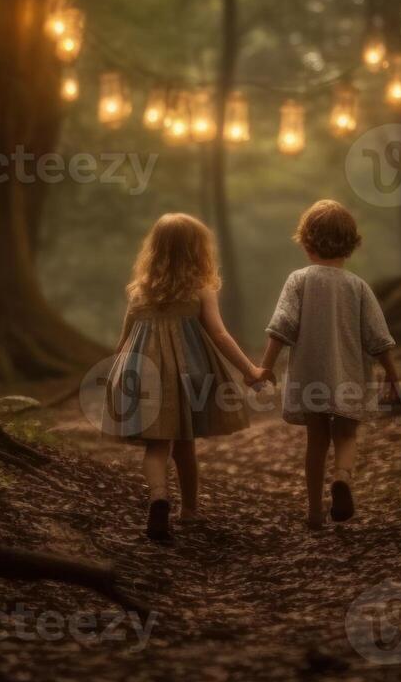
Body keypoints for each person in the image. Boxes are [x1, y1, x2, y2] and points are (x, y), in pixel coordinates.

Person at [103, 213, 274, 542]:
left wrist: (116, 378)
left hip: (144, 374)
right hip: (187, 374)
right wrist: (250, 371)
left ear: (155, 250)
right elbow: (220, 335)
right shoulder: (201, 289)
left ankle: (158, 498)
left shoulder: (140, 292)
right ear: (197, 250)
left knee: (156, 446)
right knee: (185, 446)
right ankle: (190, 511)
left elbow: (123, 341)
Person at [260, 199, 399, 529]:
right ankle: (342, 477)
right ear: (351, 244)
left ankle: (313, 512)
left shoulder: (299, 280)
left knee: (317, 441)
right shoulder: (358, 286)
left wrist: (265, 367)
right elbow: (378, 336)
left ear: (307, 243)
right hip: (349, 374)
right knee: (347, 435)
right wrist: (392, 374)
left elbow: (282, 326)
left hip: (311, 375)